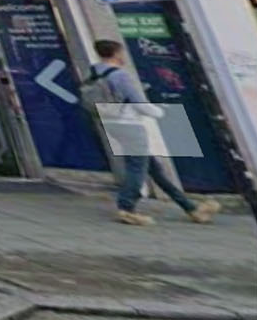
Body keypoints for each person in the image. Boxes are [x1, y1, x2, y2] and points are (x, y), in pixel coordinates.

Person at [88, 40, 221, 226]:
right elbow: (138, 103)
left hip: (111, 123)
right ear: (117, 53)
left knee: (154, 169)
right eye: (121, 52)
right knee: (137, 168)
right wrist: (160, 112)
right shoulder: (120, 75)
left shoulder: (94, 72)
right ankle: (126, 208)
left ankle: (190, 207)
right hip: (130, 125)